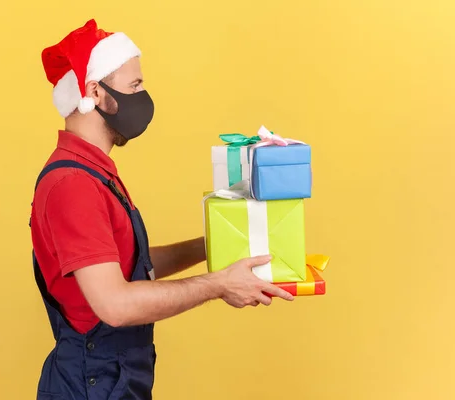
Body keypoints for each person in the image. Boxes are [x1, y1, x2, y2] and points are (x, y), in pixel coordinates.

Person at [29, 18, 294, 400]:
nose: (143, 96)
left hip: (112, 378)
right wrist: (219, 285)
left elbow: (128, 264)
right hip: (91, 383)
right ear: (94, 92)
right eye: (134, 85)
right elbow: (115, 304)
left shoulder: (93, 172)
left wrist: (218, 243)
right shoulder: (74, 184)